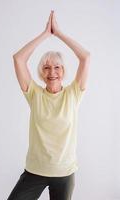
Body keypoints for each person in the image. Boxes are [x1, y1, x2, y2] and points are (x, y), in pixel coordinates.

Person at [7, 10, 90, 200]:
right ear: (41, 72)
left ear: (63, 70)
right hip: (35, 170)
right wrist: (46, 34)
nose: (52, 72)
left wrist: (58, 33)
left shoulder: (73, 93)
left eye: (57, 67)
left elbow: (85, 57)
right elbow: (18, 59)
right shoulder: (34, 94)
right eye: (46, 67)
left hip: (65, 173)